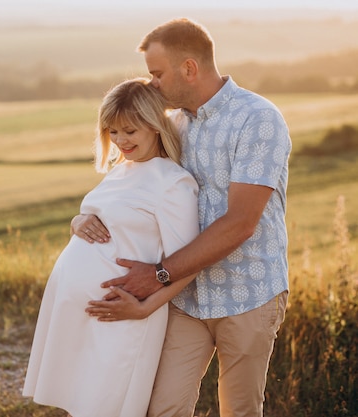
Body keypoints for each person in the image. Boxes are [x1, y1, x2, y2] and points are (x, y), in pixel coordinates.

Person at [81, 18, 291, 417]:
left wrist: (158, 273)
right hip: (187, 298)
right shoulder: (173, 124)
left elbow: (240, 223)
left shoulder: (257, 119)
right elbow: (131, 187)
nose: (152, 84)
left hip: (248, 292)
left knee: (240, 411)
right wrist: (83, 217)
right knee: (163, 408)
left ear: (189, 69)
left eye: (157, 74)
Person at [22, 77, 200, 417]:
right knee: (82, 404)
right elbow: (107, 221)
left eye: (130, 131)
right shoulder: (122, 170)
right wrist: (77, 221)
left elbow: (187, 264)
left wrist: (144, 309)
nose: (120, 141)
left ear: (154, 126)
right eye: (112, 132)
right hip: (85, 315)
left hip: (126, 315)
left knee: (107, 406)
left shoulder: (173, 182)